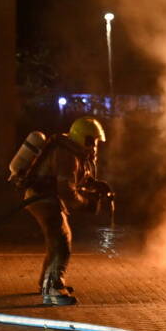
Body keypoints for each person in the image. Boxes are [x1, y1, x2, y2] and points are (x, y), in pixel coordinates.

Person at [22, 117, 112, 306]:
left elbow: (77, 179)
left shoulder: (73, 152)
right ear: (84, 139)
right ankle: (52, 290)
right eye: (93, 141)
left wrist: (95, 185)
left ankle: (47, 282)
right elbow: (67, 191)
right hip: (42, 199)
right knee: (61, 240)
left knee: (60, 239)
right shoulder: (66, 155)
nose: (95, 146)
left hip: (48, 199)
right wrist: (87, 203)